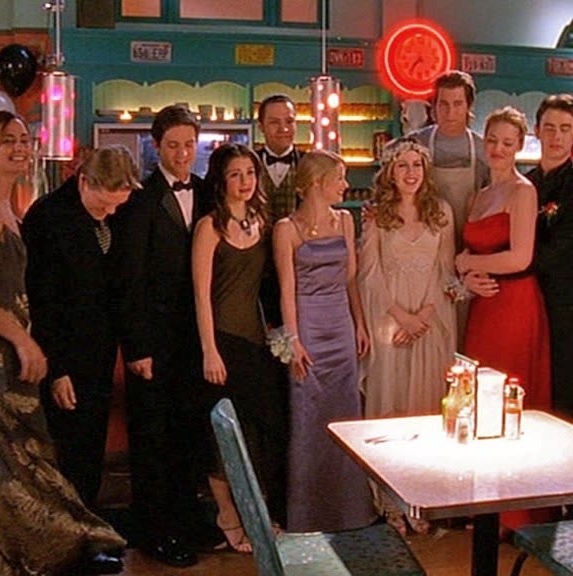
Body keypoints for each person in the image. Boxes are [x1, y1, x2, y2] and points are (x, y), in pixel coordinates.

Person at [0, 110, 125, 575]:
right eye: (8, 140)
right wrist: (23, 340)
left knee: (27, 449)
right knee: (13, 450)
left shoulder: (6, 202)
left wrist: (28, 337)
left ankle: (42, 547)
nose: (20, 147)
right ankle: (21, 552)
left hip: (14, 339)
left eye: (24, 139)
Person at [112, 105, 214, 567]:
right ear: (156, 147)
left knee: (191, 434)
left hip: (197, 339)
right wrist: (137, 347)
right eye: (173, 146)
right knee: (154, 439)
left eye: (189, 144)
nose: (182, 154)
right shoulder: (139, 200)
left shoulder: (208, 192)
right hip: (154, 341)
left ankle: (190, 522)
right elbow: (128, 279)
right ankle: (156, 532)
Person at [22, 146, 139, 508]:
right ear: (84, 181)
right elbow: (43, 301)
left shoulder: (116, 212)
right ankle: (65, 527)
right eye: (104, 205)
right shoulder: (47, 217)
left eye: (117, 206)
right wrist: (58, 370)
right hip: (64, 353)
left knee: (91, 446)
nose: (111, 213)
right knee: (67, 449)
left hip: (100, 350)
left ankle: (85, 520)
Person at [455, 107, 551, 530]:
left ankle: (516, 513)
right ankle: (484, 506)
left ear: (519, 146)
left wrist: (467, 262)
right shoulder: (478, 196)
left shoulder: (523, 191)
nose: (497, 149)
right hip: (483, 305)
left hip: (514, 304)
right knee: (479, 398)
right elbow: (472, 253)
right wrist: (466, 273)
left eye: (507, 143)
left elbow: (520, 257)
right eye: (492, 140)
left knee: (509, 397)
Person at [273, 150, 376, 533]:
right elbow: (286, 289)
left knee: (345, 416)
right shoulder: (287, 229)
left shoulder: (346, 220)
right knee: (309, 417)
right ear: (317, 183)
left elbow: (351, 279)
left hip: (341, 327)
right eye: (340, 178)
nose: (345, 186)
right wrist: (293, 339)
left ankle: (351, 512)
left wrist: (359, 324)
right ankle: (308, 514)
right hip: (309, 328)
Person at [358, 137, 456, 535]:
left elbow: (446, 271)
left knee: (426, 411)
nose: (411, 172)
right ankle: (389, 503)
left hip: (430, 324)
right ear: (390, 172)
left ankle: (423, 500)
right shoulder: (377, 214)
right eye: (403, 166)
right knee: (391, 411)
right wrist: (401, 318)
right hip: (390, 323)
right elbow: (369, 273)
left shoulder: (441, 212)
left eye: (417, 165)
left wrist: (424, 317)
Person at [192, 143, 286, 552]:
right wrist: (209, 350)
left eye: (250, 172)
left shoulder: (262, 221)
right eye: (235, 174)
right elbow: (200, 296)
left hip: (256, 342)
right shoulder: (209, 227)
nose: (245, 181)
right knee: (223, 436)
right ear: (221, 180)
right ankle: (227, 515)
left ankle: (258, 515)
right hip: (222, 341)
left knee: (261, 431)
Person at [524, 95, 573, 425]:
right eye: (549, 128)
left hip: (569, 311)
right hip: (528, 304)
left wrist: (506, 266)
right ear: (536, 131)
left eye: (565, 129)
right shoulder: (525, 183)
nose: (556, 136)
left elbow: (559, 251)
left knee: (567, 402)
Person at [408, 70, 490, 244]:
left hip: (469, 243)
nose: (450, 112)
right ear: (434, 106)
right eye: (444, 104)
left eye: (457, 104)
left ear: (468, 106)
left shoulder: (483, 149)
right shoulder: (416, 143)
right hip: (425, 243)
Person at [256, 94, 304, 223]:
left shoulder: (308, 163)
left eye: (289, 121)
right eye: (274, 122)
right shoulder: (249, 163)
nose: (284, 129)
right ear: (261, 127)